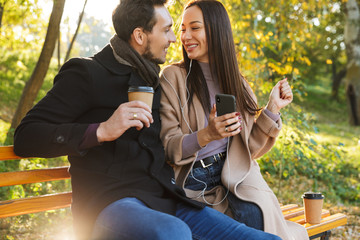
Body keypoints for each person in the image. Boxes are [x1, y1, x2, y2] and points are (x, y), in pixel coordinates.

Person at [13, 0, 283, 240]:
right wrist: (103, 130)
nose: (174, 39)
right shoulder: (86, 72)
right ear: (140, 35)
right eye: (167, 30)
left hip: (164, 197)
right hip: (108, 202)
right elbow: (26, 136)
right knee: (173, 233)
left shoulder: (152, 79)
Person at [159, 1, 308, 240]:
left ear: (216, 30)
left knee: (257, 219)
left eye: (194, 28)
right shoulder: (172, 78)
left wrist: (272, 109)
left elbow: (249, 149)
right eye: (183, 29)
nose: (185, 36)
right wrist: (207, 134)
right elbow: (168, 146)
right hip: (194, 181)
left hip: (236, 173)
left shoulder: (236, 82)